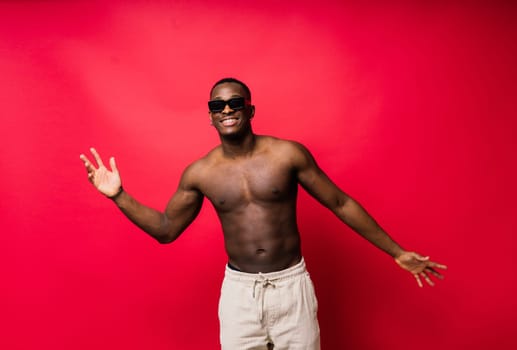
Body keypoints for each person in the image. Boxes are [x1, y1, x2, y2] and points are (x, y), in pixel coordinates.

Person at [80, 77, 447, 350]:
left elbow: (340, 203)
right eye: (217, 106)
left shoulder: (287, 155)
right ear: (210, 117)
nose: (226, 110)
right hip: (239, 293)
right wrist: (119, 196)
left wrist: (397, 251)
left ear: (250, 110)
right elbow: (165, 229)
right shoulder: (200, 173)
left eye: (234, 102)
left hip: (291, 285)